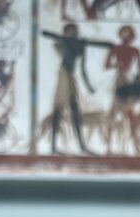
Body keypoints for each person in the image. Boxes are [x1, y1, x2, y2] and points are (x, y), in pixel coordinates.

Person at [42, 23, 111, 154]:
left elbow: (83, 69)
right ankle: (55, 147)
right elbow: (47, 34)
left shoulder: (80, 44)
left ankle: (81, 146)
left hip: (70, 76)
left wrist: (88, 86)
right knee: (60, 109)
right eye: (69, 32)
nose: (72, 34)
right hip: (63, 75)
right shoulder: (66, 42)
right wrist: (64, 39)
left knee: (73, 110)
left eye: (73, 32)